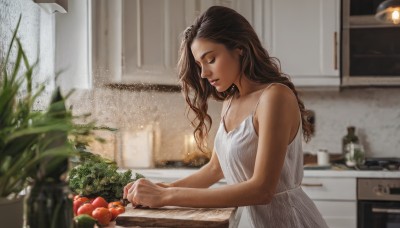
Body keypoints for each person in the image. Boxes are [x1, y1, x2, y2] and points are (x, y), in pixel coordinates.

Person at [124, 5, 328, 228]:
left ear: (239, 48)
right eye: (199, 64)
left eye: (210, 59)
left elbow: (262, 190)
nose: (203, 73)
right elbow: (214, 169)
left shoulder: (275, 96)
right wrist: (163, 189)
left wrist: (166, 197)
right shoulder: (230, 102)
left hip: (287, 221)